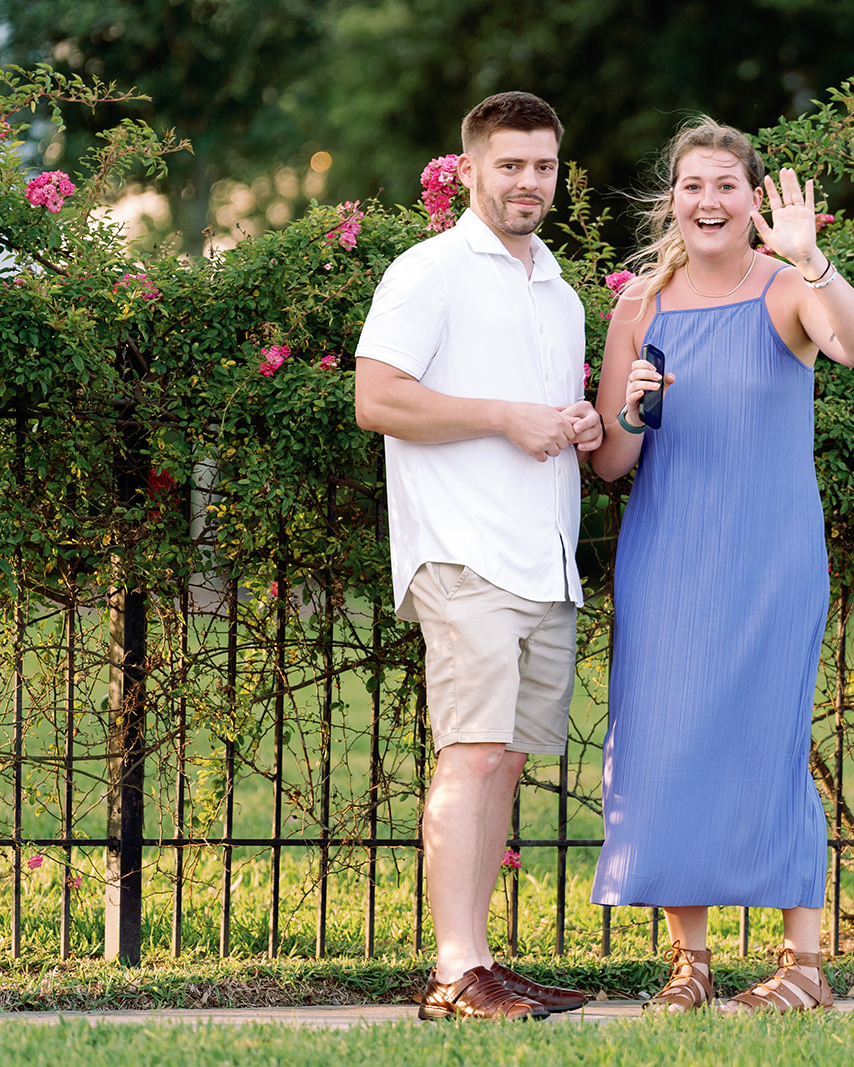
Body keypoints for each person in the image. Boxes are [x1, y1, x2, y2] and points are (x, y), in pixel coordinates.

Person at [588, 119, 854, 1014]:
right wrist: (633, 414)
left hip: (769, 557)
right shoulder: (636, 308)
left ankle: (803, 964)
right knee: (665, 746)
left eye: (726, 185)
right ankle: (693, 963)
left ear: (753, 199)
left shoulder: (785, 290)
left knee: (770, 745)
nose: (708, 201)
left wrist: (813, 262)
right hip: (667, 556)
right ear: (671, 199)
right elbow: (607, 461)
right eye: (692, 185)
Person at [354, 91, 603, 1022]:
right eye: (510, 165)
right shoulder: (429, 272)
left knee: (503, 761)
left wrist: (574, 422)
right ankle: (453, 970)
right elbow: (377, 399)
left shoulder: (560, 289)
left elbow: (544, 419)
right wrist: (507, 416)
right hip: (465, 554)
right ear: (470, 169)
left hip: (546, 561)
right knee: (472, 753)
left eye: (542, 165)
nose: (528, 181)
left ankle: (482, 961)